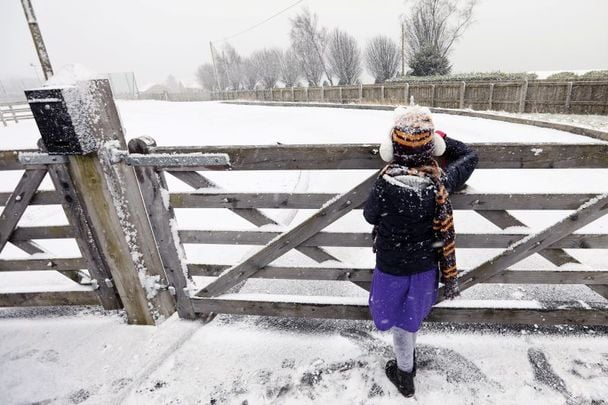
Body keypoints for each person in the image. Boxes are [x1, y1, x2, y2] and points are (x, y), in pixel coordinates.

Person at [363, 105, 479, 397]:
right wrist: (442, 139)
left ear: (390, 148)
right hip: (425, 267)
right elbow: (470, 155)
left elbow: (369, 215)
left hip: (390, 268)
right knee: (409, 319)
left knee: (397, 320)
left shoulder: (384, 183)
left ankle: (404, 373)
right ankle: (406, 370)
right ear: (432, 148)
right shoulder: (440, 183)